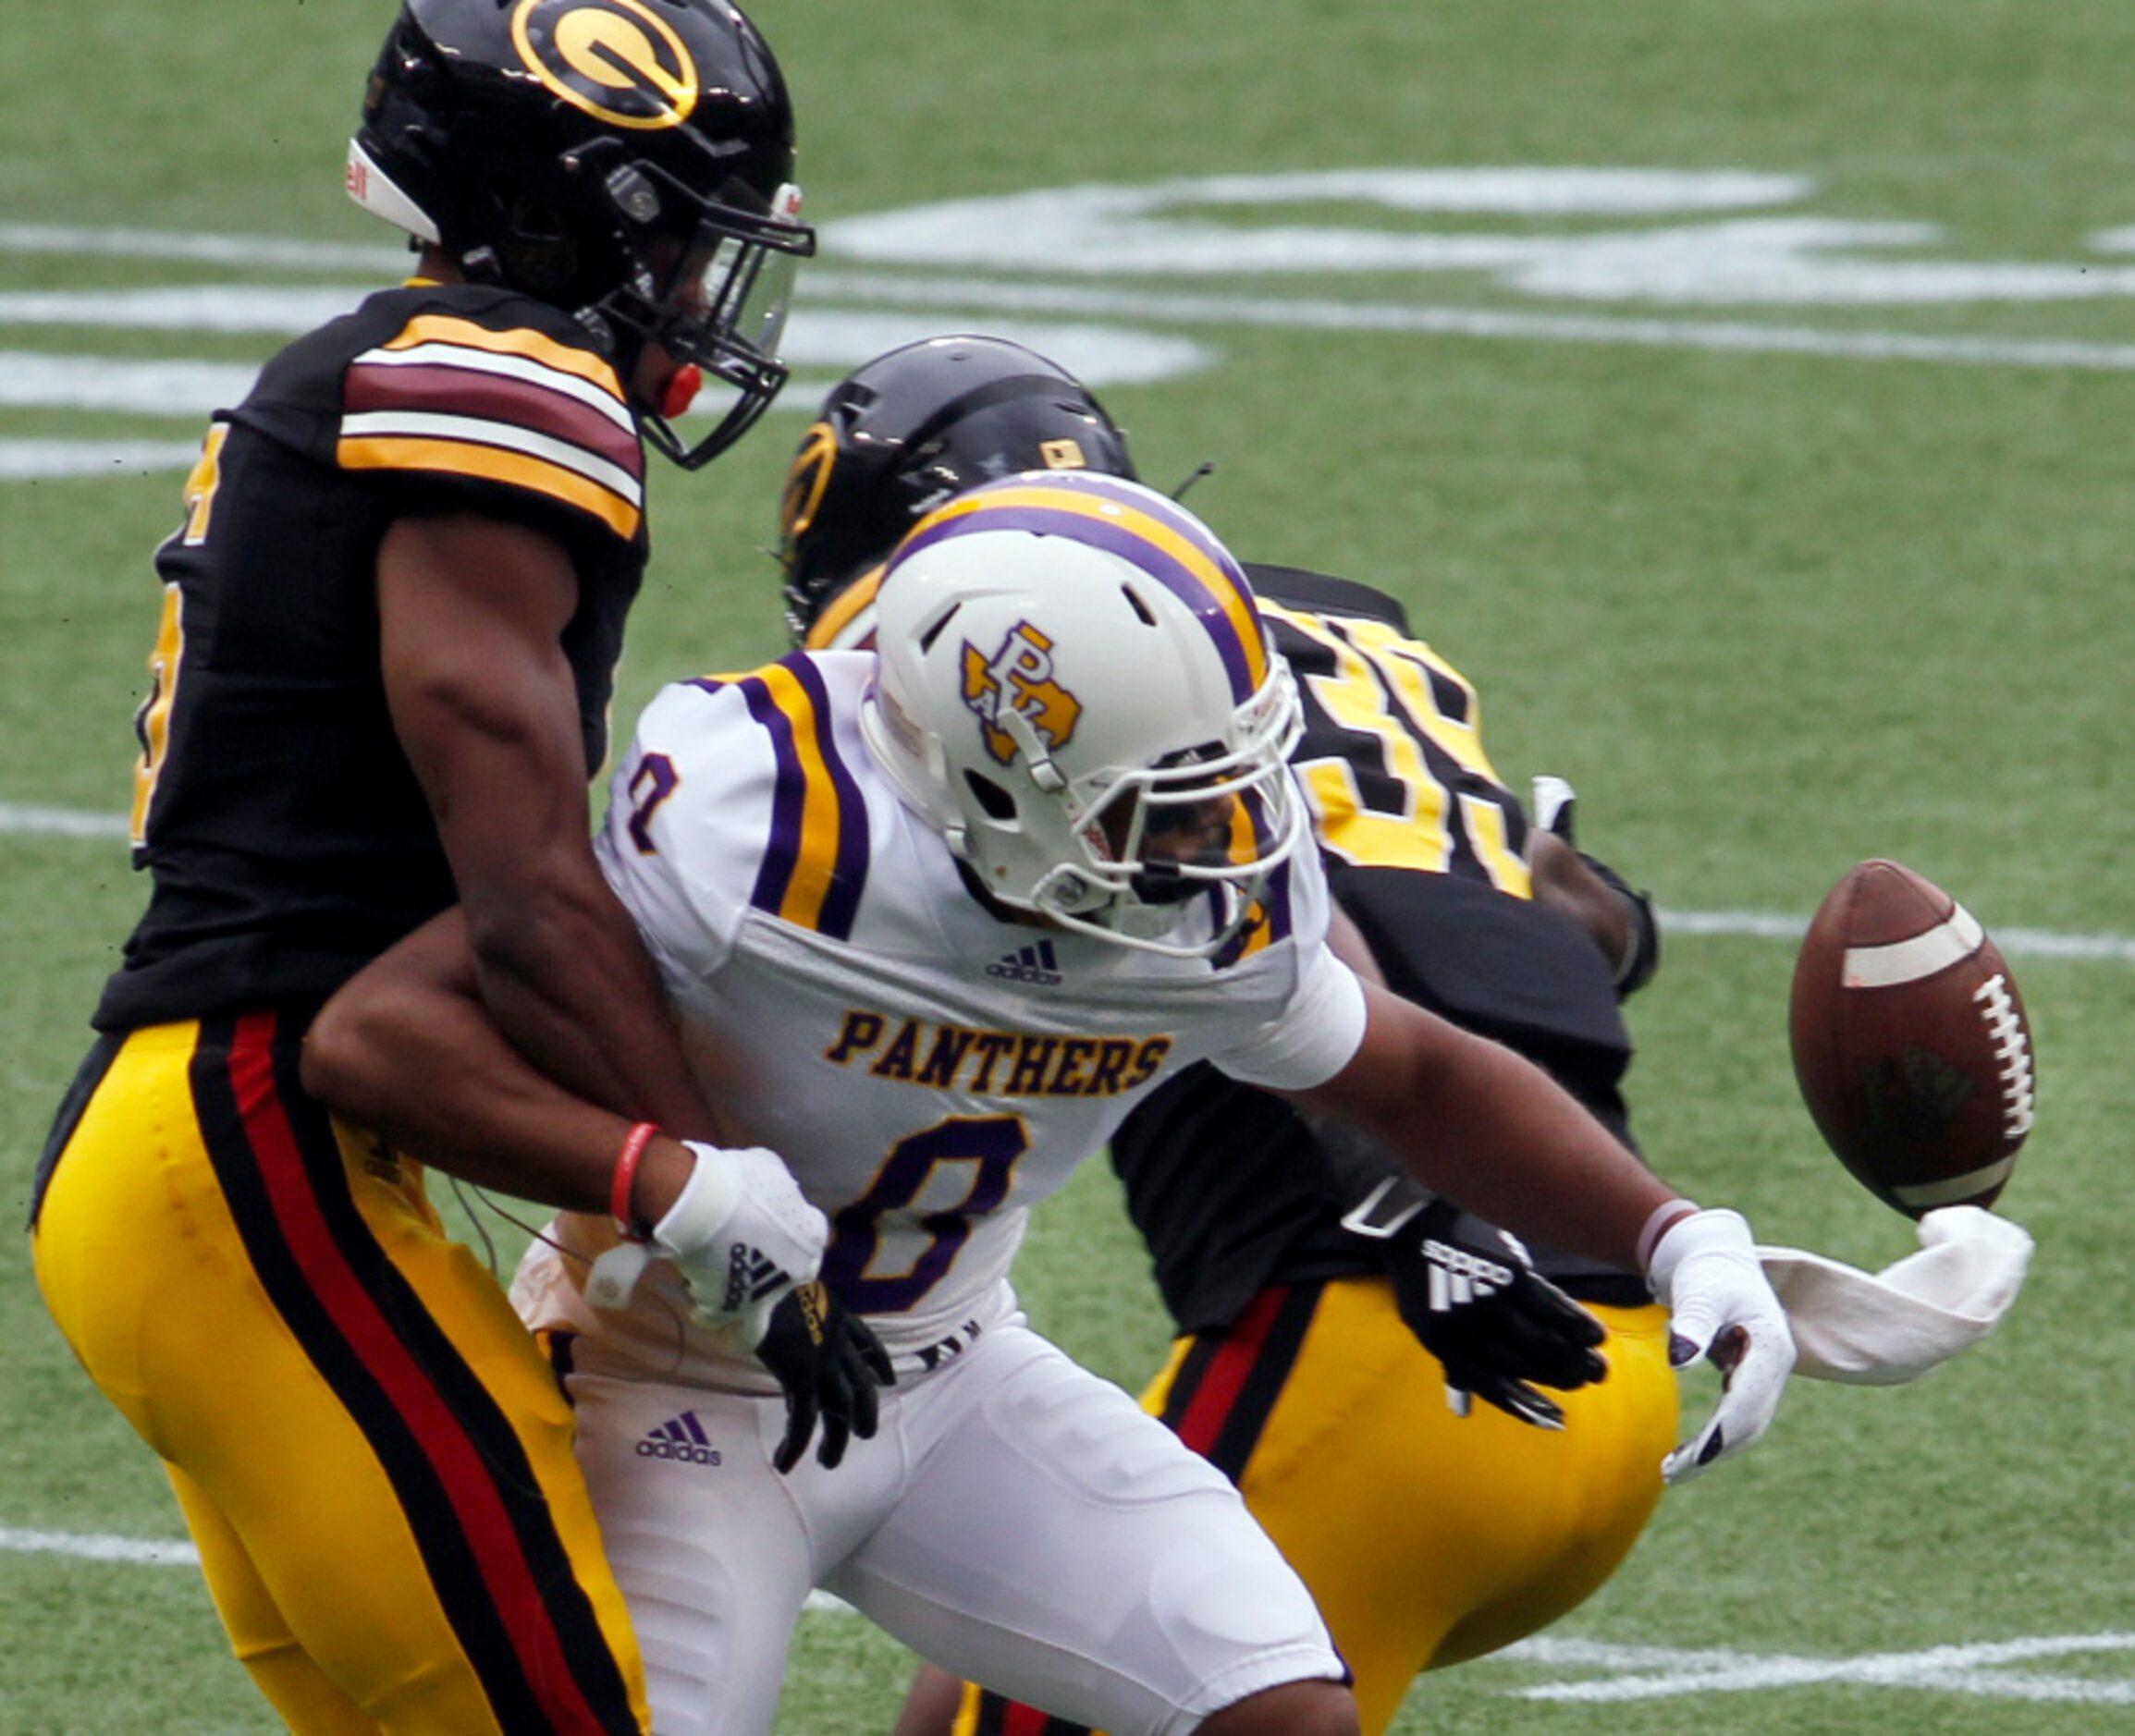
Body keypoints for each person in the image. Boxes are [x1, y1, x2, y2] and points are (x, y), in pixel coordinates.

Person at [301, 467, 1798, 1736]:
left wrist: (1675, 1233)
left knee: (1274, 1704)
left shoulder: (1210, 879)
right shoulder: (763, 827)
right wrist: (673, 1181)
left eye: (1228, 777)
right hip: (670, 1378)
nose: (1223, 835)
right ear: (991, 766)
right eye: (1162, 799)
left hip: (955, 1371)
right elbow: (381, 1037)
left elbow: (1401, 1070)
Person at [28, 2, 817, 1730]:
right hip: (256, 1154)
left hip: (210, 1156)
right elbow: (527, 892)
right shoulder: (494, 374)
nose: (699, 295)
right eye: (682, 239)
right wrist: (731, 1191)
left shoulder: (388, 369)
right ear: (575, 210)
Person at [779, 336, 1676, 1736]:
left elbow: (1326, 975)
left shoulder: (985, 668)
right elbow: (1590, 919)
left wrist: (1412, 1204)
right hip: (1609, 1360)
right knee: (965, 1691)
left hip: (1382, 1329)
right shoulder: (1331, 637)